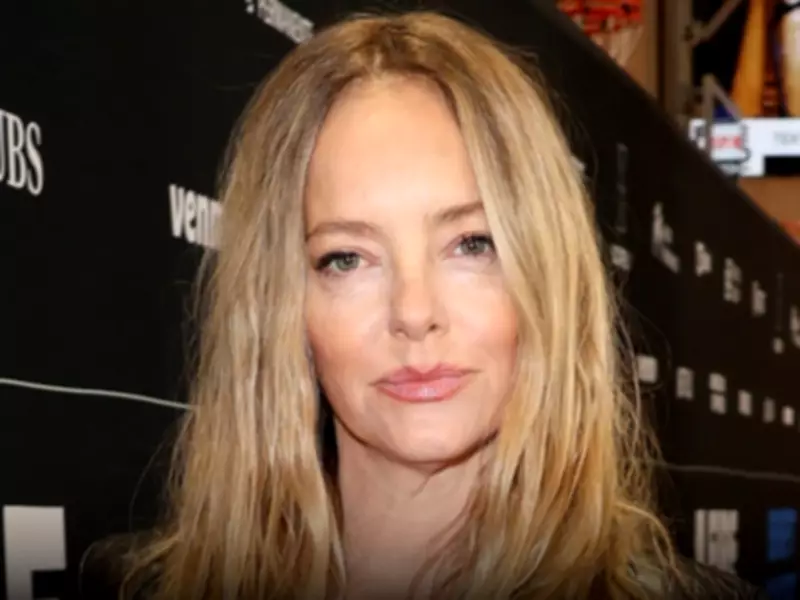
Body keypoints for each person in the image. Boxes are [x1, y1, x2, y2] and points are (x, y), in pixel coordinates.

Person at [83, 10, 766, 600]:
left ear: (546, 275)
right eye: (346, 258)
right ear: (283, 306)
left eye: (471, 244)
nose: (413, 312)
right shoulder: (132, 587)